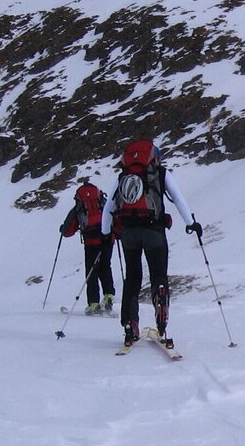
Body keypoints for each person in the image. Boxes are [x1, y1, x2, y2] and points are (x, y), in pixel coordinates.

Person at [101, 139, 202, 348]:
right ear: (155, 157)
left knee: (132, 278)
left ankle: (130, 325)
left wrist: (105, 233)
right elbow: (178, 198)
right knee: (158, 274)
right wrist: (191, 223)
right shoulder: (161, 173)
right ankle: (161, 310)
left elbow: (108, 207)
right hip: (154, 231)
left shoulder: (123, 176)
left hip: (128, 233)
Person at [60, 181, 116, 315]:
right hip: (107, 239)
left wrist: (63, 229)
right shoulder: (102, 202)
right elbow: (114, 215)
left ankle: (93, 304)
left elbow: (68, 230)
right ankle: (108, 297)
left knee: (91, 271)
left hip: (91, 242)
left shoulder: (79, 207)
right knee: (105, 267)